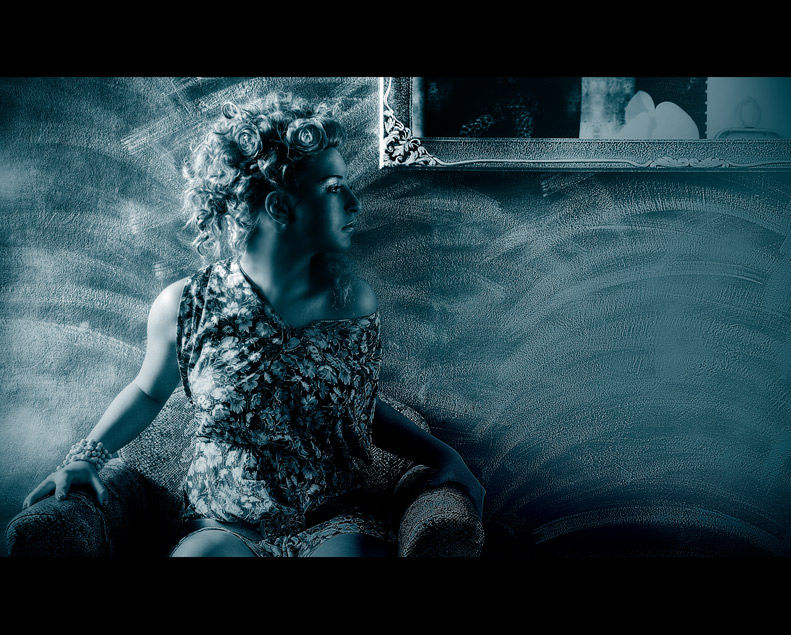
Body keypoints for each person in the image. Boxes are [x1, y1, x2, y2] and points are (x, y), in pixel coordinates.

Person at [22, 93, 485, 557]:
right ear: (280, 207)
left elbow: (363, 410)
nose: (353, 203)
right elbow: (146, 392)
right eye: (333, 188)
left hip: (335, 520)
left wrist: (446, 455)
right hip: (222, 524)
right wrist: (86, 457)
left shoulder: (350, 301)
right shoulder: (185, 305)